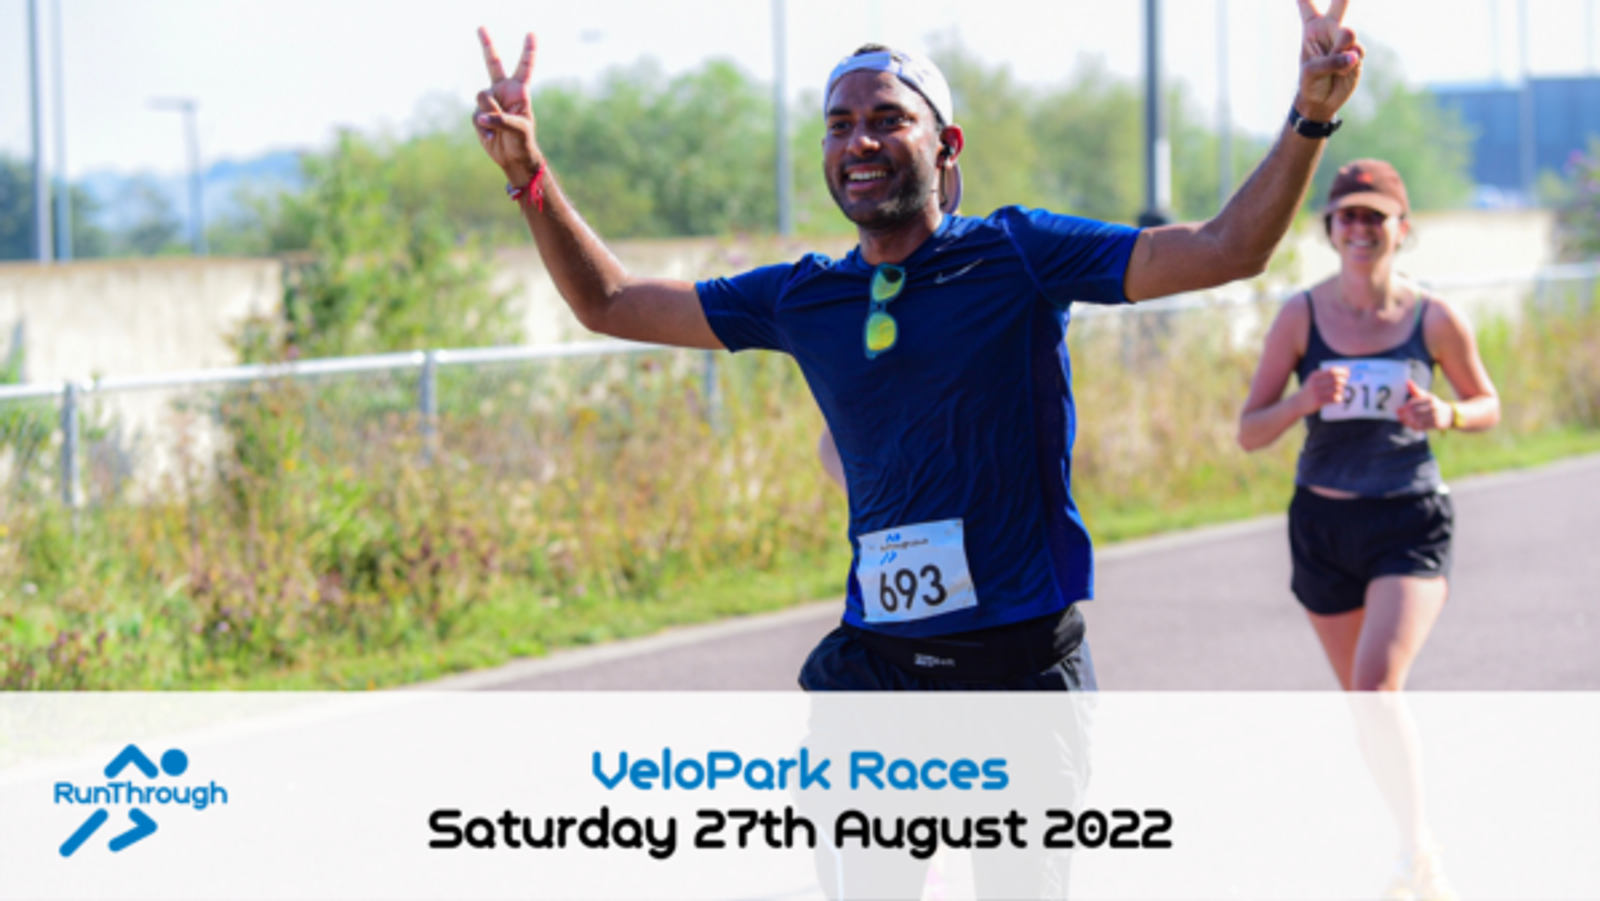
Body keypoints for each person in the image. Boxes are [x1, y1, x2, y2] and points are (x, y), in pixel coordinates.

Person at [470, 0, 1364, 695]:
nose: (857, 138)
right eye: (837, 123)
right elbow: (612, 302)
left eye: (887, 118)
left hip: (1019, 663)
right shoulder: (800, 295)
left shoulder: (1018, 253)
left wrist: (1309, 117)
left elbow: (1226, 249)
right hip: (881, 665)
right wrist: (529, 177)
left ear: (945, 146)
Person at [1236, 159, 1499, 901]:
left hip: (1406, 518)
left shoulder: (1433, 317)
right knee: (1363, 701)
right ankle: (1414, 839)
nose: (1360, 229)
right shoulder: (1301, 317)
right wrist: (1302, 400)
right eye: (1347, 216)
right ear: (1329, 228)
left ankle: (1418, 856)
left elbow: (1487, 403)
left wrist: (1443, 412)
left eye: (1374, 216)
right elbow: (1249, 432)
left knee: (1377, 688)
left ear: (1401, 229)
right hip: (1322, 523)